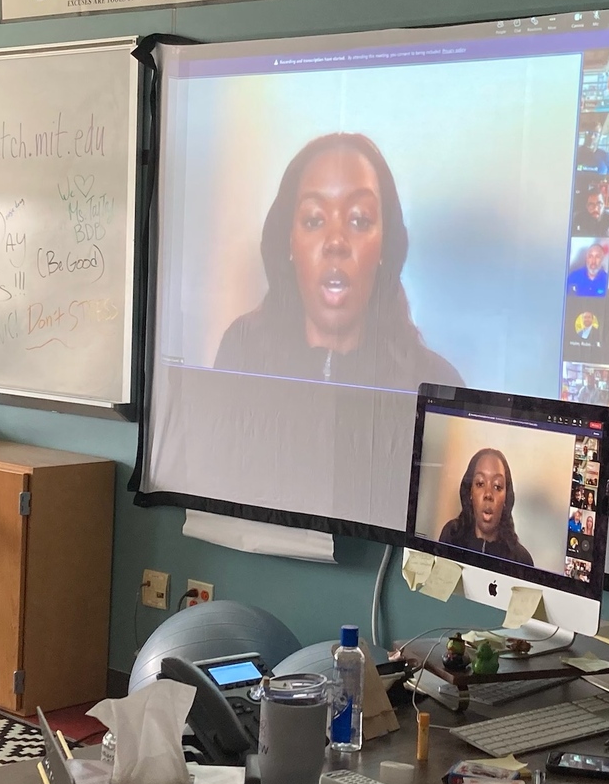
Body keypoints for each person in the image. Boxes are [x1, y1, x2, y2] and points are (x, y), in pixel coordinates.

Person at [214, 133, 463, 387]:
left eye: (359, 220)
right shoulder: (243, 356)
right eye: (314, 220)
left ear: (384, 246)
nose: (336, 242)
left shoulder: (434, 383)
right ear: (289, 241)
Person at [437, 448, 534, 566]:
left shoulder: (521, 559)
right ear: (470, 492)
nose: (488, 494)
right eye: (480, 484)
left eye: (497, 486)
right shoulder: (451, 535)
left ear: (505, 498)